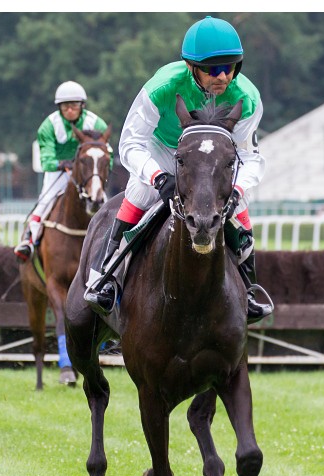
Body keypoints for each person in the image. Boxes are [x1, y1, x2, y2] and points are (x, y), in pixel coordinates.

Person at [83, 16, 272, 324]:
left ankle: (249, 291)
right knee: (140, 191)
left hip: (211, 158)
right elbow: (130, 144)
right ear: (191, 66)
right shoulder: (162, 87)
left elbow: (248, 157)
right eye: (213, 69)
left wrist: (237, 190)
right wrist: (157, 177)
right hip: (161, 149)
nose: (223, 76)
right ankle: (104, 278)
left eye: (230, 67)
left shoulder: (247, 98)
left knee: (240, 211)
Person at [14, 81, 110, 262]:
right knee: (45, 202)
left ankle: (115, 241)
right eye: (66, 107)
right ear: (60, 107)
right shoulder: (48, 126)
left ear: (82, 105)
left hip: (88, 172)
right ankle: (28, 240)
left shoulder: (97, 123)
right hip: (59, 172)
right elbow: (46, 160)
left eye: (74, 106)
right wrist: (62, 164)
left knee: (104, 203)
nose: (70, 111)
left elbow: (107, 155)